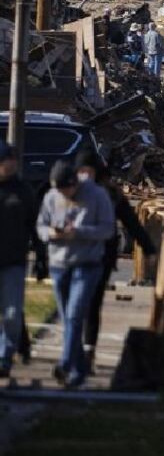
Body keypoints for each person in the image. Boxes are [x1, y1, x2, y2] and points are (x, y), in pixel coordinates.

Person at [72, 151, 153, 373]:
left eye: (88, 171)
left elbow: (131, 222)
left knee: (92, 304)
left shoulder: (110, 194)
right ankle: (73, 351)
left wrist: (148, 248)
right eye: (80, 171)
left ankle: (88, 352)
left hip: (102, 257)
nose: (84, 176)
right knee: (75, 306)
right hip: (75, 256)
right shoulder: (71, 191)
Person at [37, 159, 114, 388]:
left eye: (67, 190)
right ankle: (79, 372)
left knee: (74, 315)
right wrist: (50, 233)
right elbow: (41, 225)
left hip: (87, 263)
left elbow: (108, 229)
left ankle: (65, 363)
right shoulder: (51, 196)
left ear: (74, 183)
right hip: (59, 264)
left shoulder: (97, 194)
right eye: (59, 191)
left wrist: (79, 232)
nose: (64, 195)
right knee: (69, 320)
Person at [0, 142, 37, 377]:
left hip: (13, 261)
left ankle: (4, 355)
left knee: (12, 313)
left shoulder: (23, 191)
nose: (11, 164)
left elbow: (34, 223)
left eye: (14, 160)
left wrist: (41, 254)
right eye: (7, 160)